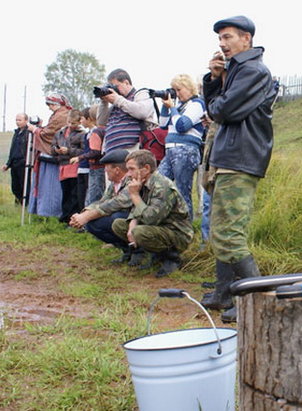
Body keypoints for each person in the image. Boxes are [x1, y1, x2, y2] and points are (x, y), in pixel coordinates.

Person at [202, 15, 276, 322]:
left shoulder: (254, 71)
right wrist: (214, 80)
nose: (222, 43)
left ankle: (253, 298)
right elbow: (216, 107)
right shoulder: (237, 71)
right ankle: (224, 291)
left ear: (246, 39)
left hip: (241, 158)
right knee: (221, 230)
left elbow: (223, 111)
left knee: (230, 233)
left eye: (228, 37)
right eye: (220, 38)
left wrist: (219, 96)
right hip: (229, 157)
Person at [112, 150, 193, 277]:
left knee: (139, 232)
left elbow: (151, 219)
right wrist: (131, 226)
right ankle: (151, 255)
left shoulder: (162, 186)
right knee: (119, 224)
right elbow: (136, 209)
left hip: (176, 233)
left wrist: (134, 195)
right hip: (159, 228)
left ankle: (171, 258)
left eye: (132, 169)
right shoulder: (142, 183)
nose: (128, 174)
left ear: (146, 168)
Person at [69, 149, 134, 262]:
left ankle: (139, 251)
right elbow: (102, 202)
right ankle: (127, 250)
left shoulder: (131, 182)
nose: (105, 170)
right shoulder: (114, 184)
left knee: (116, 218)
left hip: (139, 221)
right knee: (92, 224)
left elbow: (113, 204)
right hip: (127, 220)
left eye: (107, 167)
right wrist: (83, 214)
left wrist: (86, 217)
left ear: (117, 170)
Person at [158, 74, 206, 219]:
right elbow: (162, 124)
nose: (176, 94)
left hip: (186, 150)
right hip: (170, 150)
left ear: (189, 87)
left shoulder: (197, 104)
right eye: (174, 90)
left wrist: (172, 109)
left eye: (179, 90)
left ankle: (186, 227)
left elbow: (181, 125)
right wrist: (165, 106)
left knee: (182, 191)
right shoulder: (178, 106)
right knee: (159, 184)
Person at [27, 93, 71, 218]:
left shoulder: (61, 116)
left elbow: (48, 133)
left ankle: (50, 212)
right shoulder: (60, 114)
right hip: (58, 158)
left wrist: (35, 130)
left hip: (54, 157)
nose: (49, 107)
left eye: (50, 104)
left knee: (51, 187)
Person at [97, 68, 157, 154]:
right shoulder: (117, 103)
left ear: (126, 82)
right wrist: (104, 101)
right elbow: (101, 122)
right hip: (111, 152)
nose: (114, 90)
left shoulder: (140, 95)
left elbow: (142, 112)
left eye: (116, 86)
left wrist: (118, 100)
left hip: (133, 151)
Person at [52, 110, 86, 224]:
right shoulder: (59, 133)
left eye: (73, 123)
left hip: (74, 166)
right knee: (65, 193)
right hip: (62, 166)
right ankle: (65, 216)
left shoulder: (82, 134)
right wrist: (56, 150)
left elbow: (84, 151)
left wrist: (69, 151)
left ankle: (73, 218)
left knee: (74, 194)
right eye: (69, 122)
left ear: (79, 122)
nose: (70, 125)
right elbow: (52, 147)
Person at [74, 105, 105, 205]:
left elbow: (95, 152)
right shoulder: (96, 132)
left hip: (96, 167)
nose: (80, 121)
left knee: (94, 196)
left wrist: (80, 157)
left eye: (82, 118)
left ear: (90, 118)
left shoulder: (96, 132)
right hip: (93, 167)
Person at [3, 113, 31, 204]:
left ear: (26, 121)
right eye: (16, 120)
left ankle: (25, 204)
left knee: (24, 185)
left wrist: (27, 161)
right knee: (15, 186)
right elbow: (13, 149)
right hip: (14, 163)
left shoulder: (29, 133)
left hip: (23, 163)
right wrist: (8, 164)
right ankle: (18, 202)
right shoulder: (16, 133)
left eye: (20, 120)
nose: (17, 122)